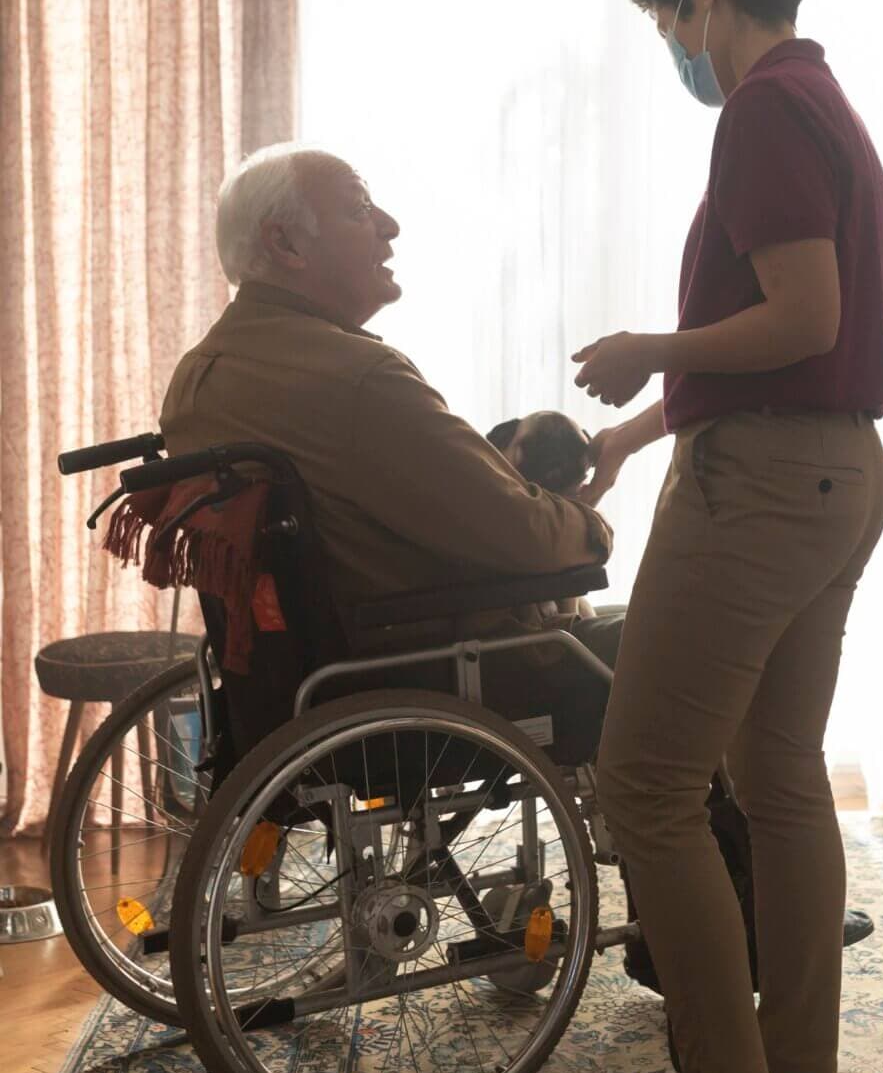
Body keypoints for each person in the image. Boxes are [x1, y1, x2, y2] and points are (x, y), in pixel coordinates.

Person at [568, 0, 883, 1073]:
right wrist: (647, 428)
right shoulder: (825, 102)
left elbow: (797, 315)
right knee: (776, 775)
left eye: (669, 24)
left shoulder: (763, 107)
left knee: (642, 786)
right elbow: (805, 336)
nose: (676, 51)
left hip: (763, 484)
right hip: (832, 470)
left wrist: (651, 350)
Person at [159, 143, 621, 730]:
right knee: (692, 632)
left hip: (298, 685)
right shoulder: (357, 378)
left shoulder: (195, 382)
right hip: (436, 676)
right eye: (359, 210)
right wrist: (592, 524)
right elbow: (521, 534)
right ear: (286, 244)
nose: (390, 227)